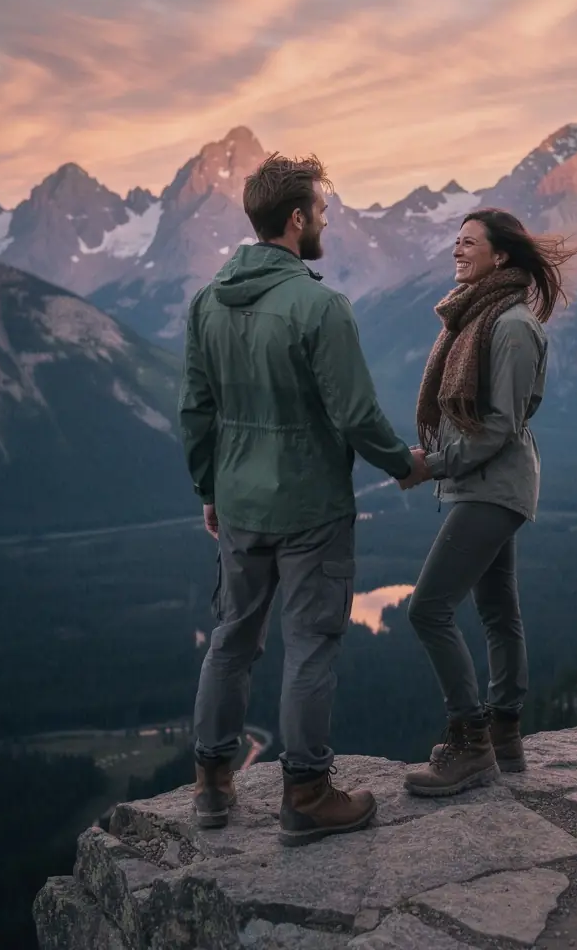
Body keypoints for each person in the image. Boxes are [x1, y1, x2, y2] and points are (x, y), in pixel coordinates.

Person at [178, 152, 430, 843]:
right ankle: (307, 794)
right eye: (319, 210)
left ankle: (211, 786)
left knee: (231, 638)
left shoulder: (206, 302)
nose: (324, 221)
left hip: (237, 502)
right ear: (295, 219)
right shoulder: (319, 306)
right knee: (312, 644)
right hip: (311, 508)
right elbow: (355, 413)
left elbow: (195, 411)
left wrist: (210, 489)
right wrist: (403, 464)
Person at [398, 207, 577, 797]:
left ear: (500, 256)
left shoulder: (511, 326)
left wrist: (434, 464)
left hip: (492, 486)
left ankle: (469, 739)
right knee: (499, 612)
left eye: (468, 242)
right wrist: (439, 456)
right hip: (481, 483)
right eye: (455, 240)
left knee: (428, 609)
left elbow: (499, 425)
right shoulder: (478, 317)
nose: (456, 249)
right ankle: (504, 736)